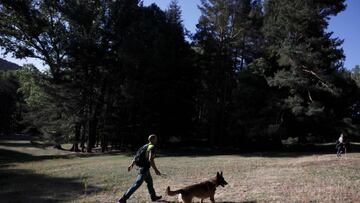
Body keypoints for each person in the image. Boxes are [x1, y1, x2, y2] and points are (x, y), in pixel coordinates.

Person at [119, 134, 162, 203]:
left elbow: (136, 156)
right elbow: (150, 159)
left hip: (143, 168)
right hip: (144, 169)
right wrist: (156, 170)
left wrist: (131, 165)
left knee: (150, 182)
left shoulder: (144, 146)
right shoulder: (152, 147)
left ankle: (153, 197)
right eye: (156, 139)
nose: (157, 140)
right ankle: (123, 198)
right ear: (152, 140)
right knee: (136, 184)